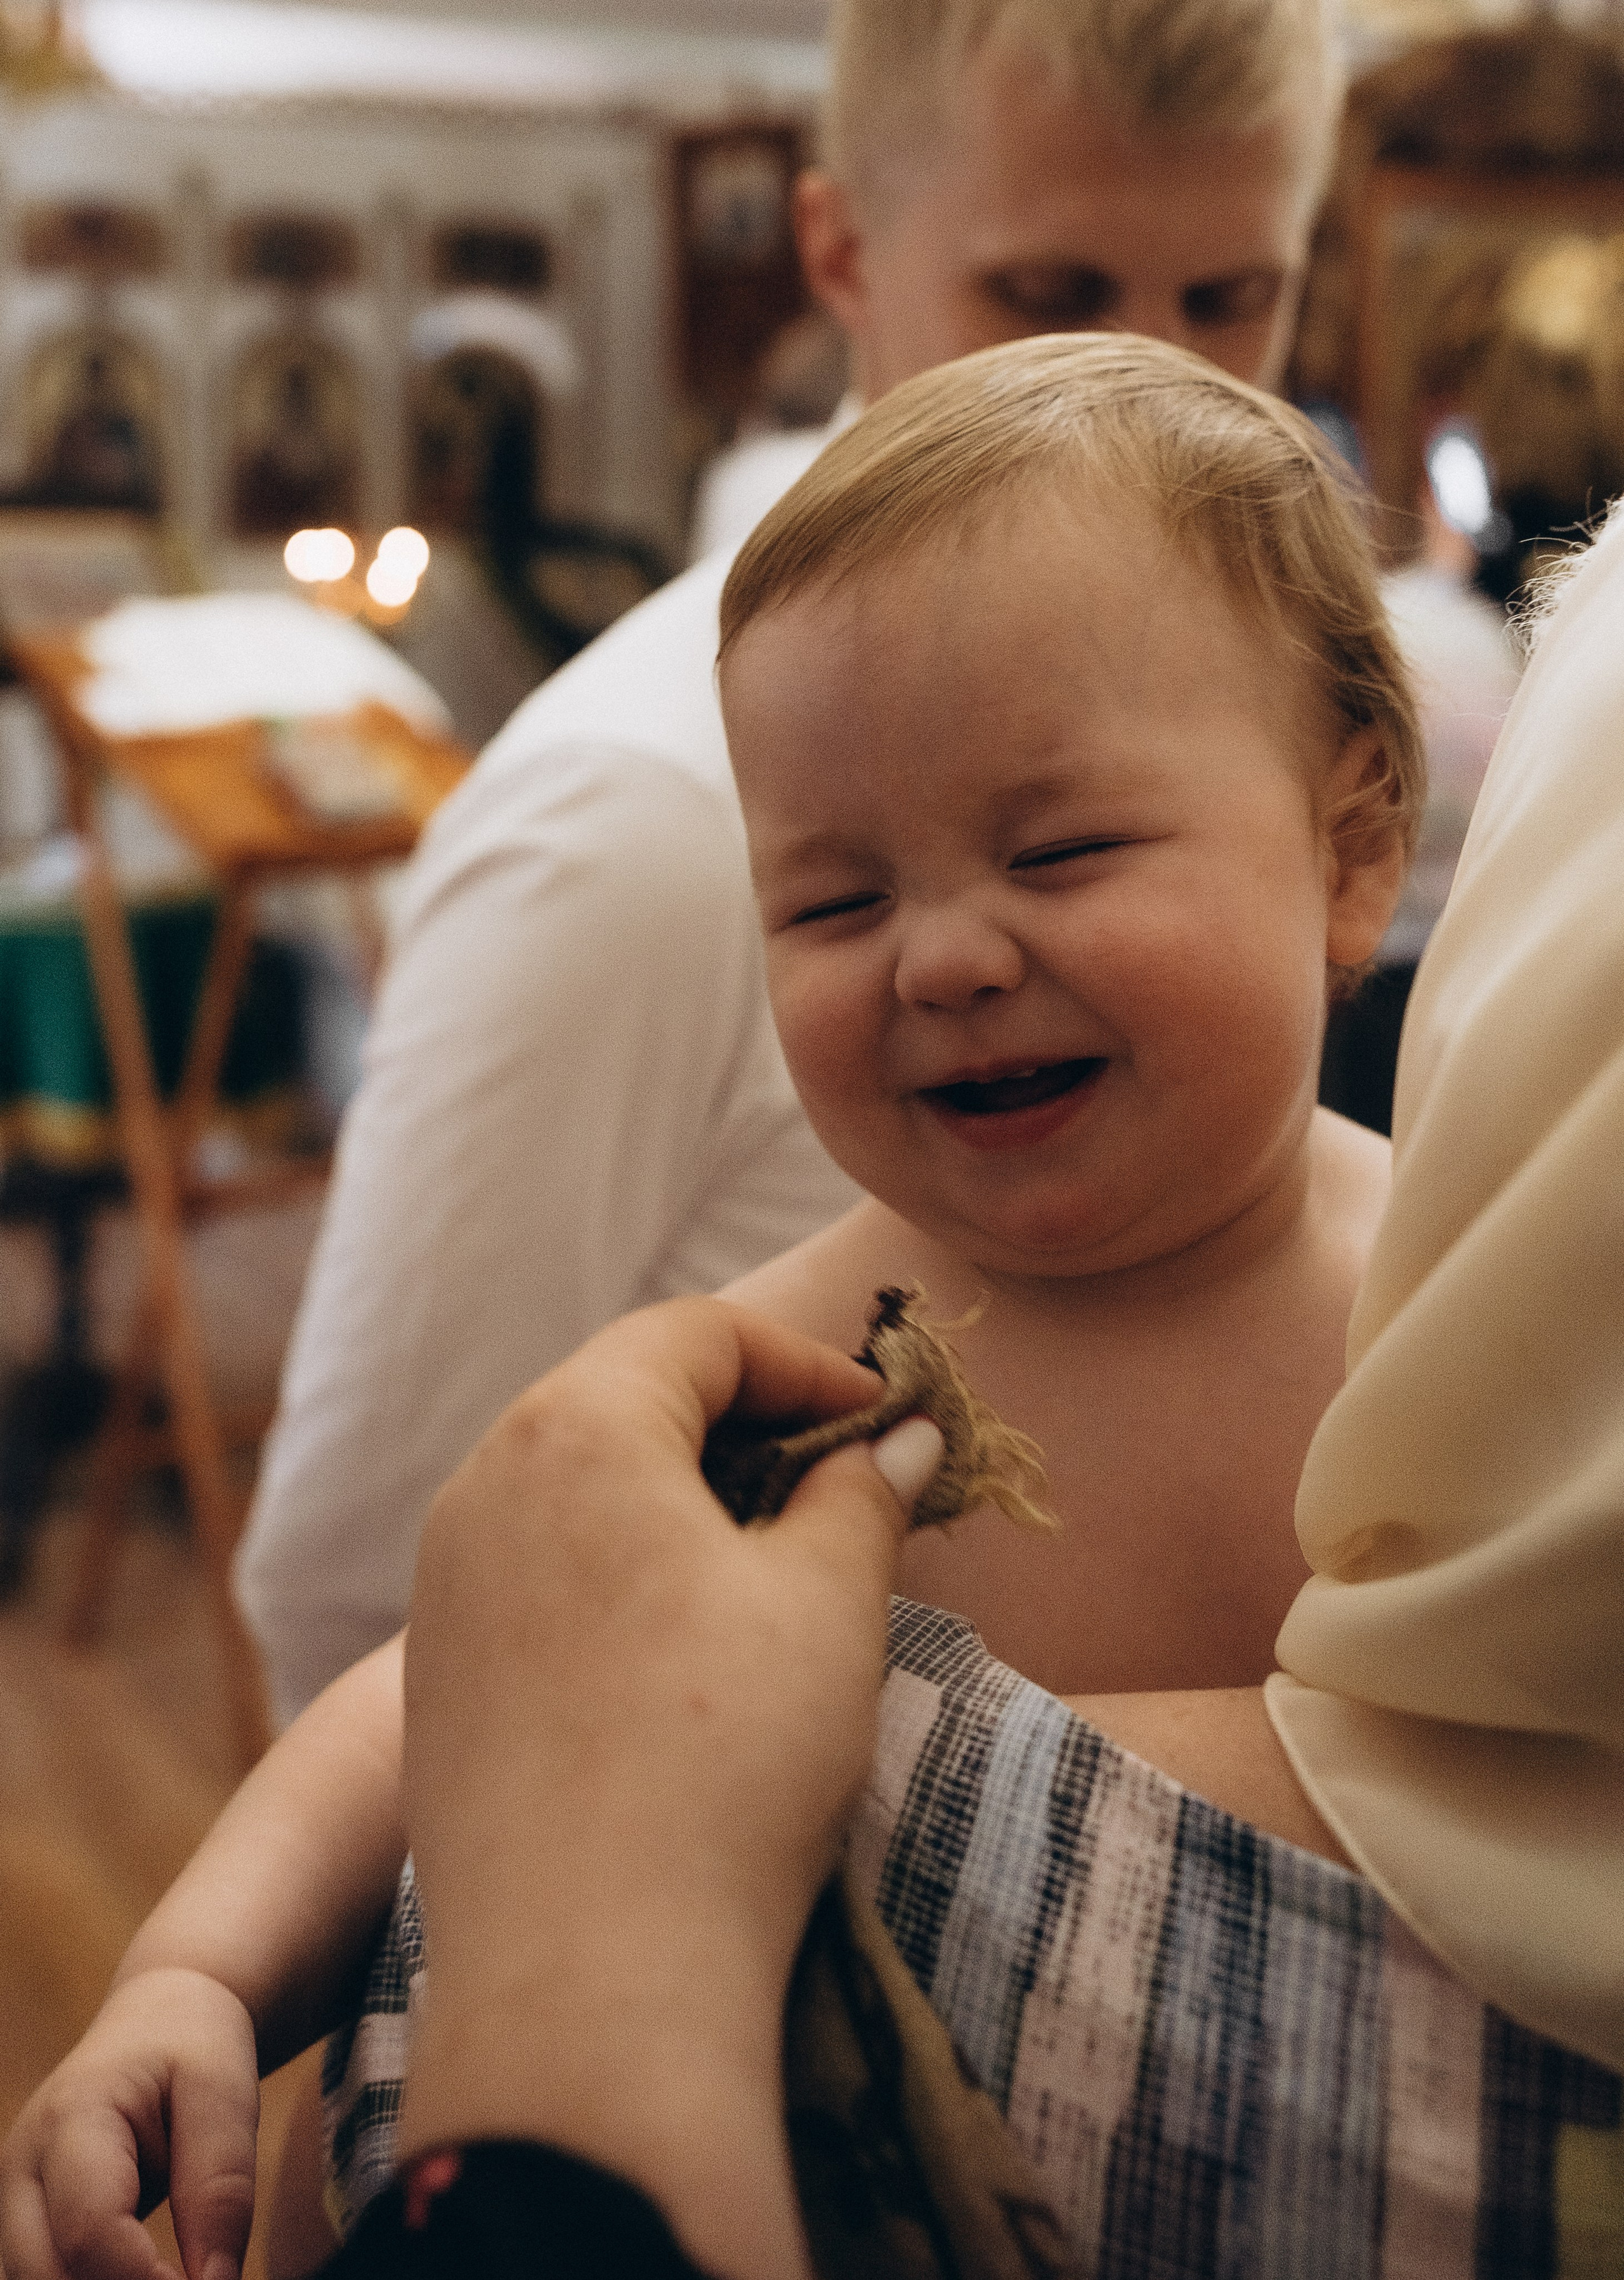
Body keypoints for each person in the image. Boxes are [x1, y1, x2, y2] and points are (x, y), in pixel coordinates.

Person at [0, 331, 1424, 2276]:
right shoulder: (787, 1357)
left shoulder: (1447, 1326)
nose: (939, 958)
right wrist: (199, 1969)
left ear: (1354, 846)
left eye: (1062, 849)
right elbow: (462, 1681)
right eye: (834, 902)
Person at [235, 0, 1342, 1729]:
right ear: (838, 247)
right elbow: (365, 1583)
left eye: (1229, 298)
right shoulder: (635, 814)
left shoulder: (1268, 731)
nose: (1152, 381)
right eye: (1047, 292)